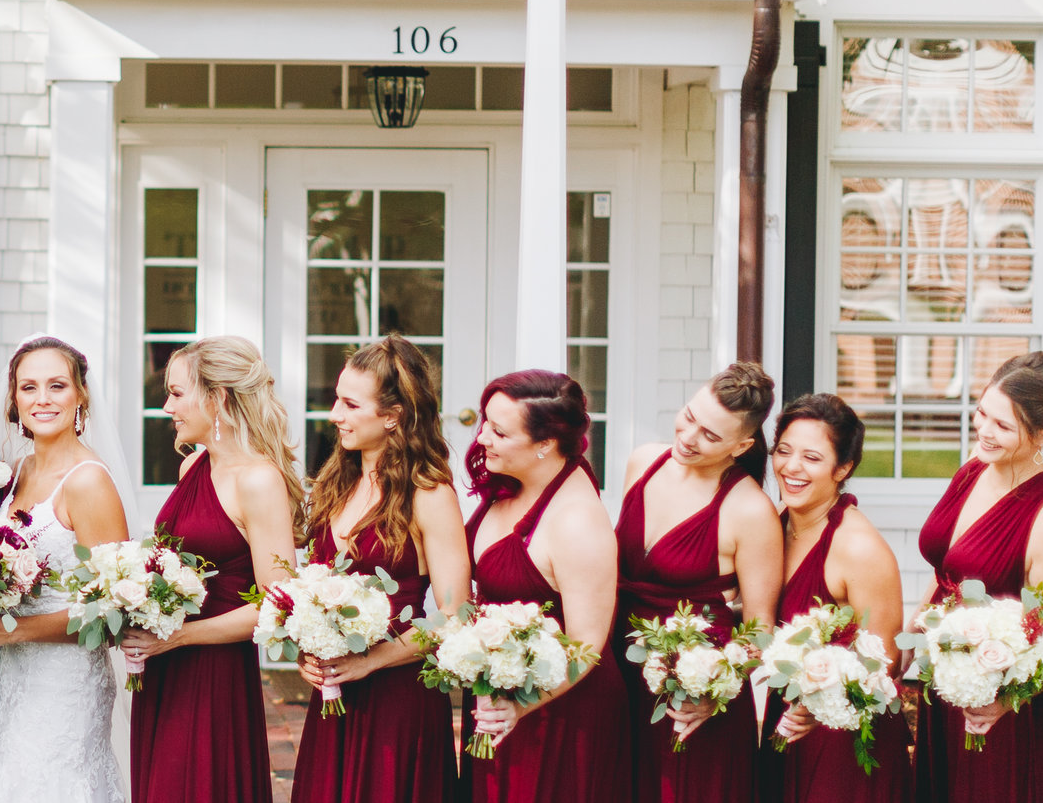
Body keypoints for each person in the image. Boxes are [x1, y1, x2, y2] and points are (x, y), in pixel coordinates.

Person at [121, 335, 300, 803]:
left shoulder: (258, 480)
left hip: (212, 674)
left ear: (218, 398)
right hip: (164, 670)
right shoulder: (193, 468)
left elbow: (278, 604)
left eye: (178, 394)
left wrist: (177, 636)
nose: (165, 407)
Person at [289, 337, 468, 803]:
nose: (334, 415)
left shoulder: (429, 494)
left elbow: (455, 616)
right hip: (334, 693)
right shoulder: (336, 480)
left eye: (350, 404)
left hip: (396, 700)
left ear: (393, 416)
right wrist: (308, 652)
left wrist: (370, 661)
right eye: (336, 400)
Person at [0, 335, 133, 803]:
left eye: (57, 386)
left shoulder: (89, 482)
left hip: (66, 682)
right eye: (29, 387)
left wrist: (10, 632)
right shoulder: (15, 471)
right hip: (14, 675)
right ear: (14, 399)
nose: (42, 399)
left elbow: (111, 614)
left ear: (80, 396)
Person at [908, 350, 1043, 803]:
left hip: (1001, 708)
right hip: (945, 678)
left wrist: (1003, 701)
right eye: (983, 412)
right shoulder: (974, 467)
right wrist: (917, 623)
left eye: (1003, 426)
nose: (984, 431)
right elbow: (948, 565)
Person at [614, 362, 782, 800]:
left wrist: (713, 690)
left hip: (690, 690)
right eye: (690, 416)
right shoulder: (643, 461)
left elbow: (762, 628)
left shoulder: (749, 510)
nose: (688, 438)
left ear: (742, 445)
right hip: (620, 670)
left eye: (710, 435)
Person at [460, 370, 625, 803]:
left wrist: (519, 707)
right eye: (484, 423)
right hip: (498, 696)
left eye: (499, 431)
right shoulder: (511, 484)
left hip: (557, 712)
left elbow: (587, 643)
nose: (481, 439)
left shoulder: (577, 521)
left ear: (545, 445)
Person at [764, 392, 911, 802]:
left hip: (843, 738)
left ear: (842, 468)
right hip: (788, 717)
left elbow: (885, 662)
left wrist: (820, 697)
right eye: (784, 451)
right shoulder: (776, 524)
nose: (791, 467)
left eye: (811, 458)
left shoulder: (859, 549)